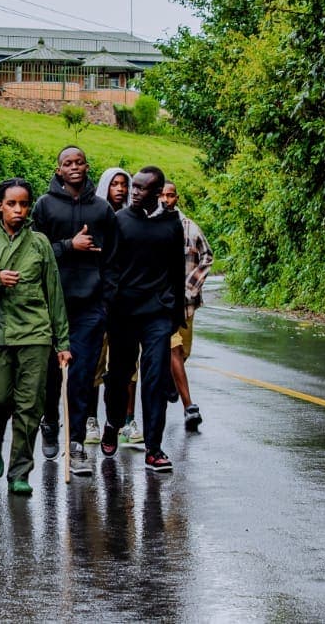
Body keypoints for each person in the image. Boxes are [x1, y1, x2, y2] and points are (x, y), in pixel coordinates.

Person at [0, 178, 70, 495]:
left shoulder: (40, 244)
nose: (18, 210)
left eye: (24, 204)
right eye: (12, 204)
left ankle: (20, 472)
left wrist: (63, 343)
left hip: (34, 333)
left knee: (30, 406)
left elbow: (54, 293)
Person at [32, 147, 118, 478]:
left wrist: (106, 300)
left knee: (81, 377)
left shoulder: (102, 209)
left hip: (91, 307)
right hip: (52, 306)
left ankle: (78, 443)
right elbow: (35, 253)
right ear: (58, 169)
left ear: (87, 165)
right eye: (68, 163)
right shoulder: (44, 205)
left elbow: (112, 259)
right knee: (53, 375)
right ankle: (51, 421)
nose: (74, 168)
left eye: (79, 162)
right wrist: (69, 245)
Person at [101, 166, 186, 472]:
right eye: (133, 187)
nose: (133, 192)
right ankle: (112, 421)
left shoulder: (172, 224)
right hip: (124, 312)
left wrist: (177, 314)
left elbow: (178, 269)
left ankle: (154, 448)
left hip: (157, 313)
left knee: (155, 379)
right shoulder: (120, 220)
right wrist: (109, 303)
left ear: (158, 192)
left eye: (141, 188)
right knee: (119, 376)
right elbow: (108, 266)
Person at [161, 181, 214, 431]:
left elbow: (207, 256)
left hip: (185, 304)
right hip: (161, 303)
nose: (165, 199)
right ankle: (189, 407)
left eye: (170, 195)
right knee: (173, 349)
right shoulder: (151, 225)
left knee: (183, 352)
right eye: (161, 195)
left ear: (177, 198)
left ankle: (172, 380)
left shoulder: (190, 228)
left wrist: (189, 288)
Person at [86, 166, 130, 445]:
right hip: (97, 297)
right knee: (94, 362)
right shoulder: (97, 216)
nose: (121, 189)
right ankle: (90, 418)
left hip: (125, 302)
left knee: (124, 367)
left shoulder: (132, 219)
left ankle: (122, 419)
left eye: (124, 184)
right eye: (115, 184)